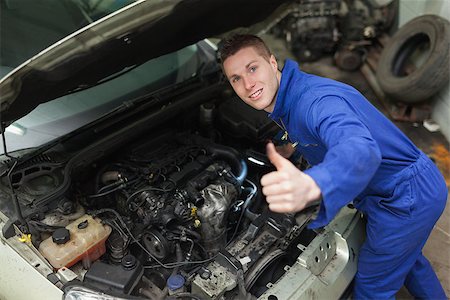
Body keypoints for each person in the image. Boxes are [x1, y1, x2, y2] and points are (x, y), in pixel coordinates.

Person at [219, 34, 447, 299]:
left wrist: (314, 182)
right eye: (236, 78)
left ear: (272, 61)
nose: (247, 84)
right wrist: (293, 146)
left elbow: (359, 149)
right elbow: (320, 134)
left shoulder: (315, 102)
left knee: (372, 288)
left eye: (252, 68)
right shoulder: (292, 95)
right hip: (404, 187)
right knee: (409, 262)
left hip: (405, 197)